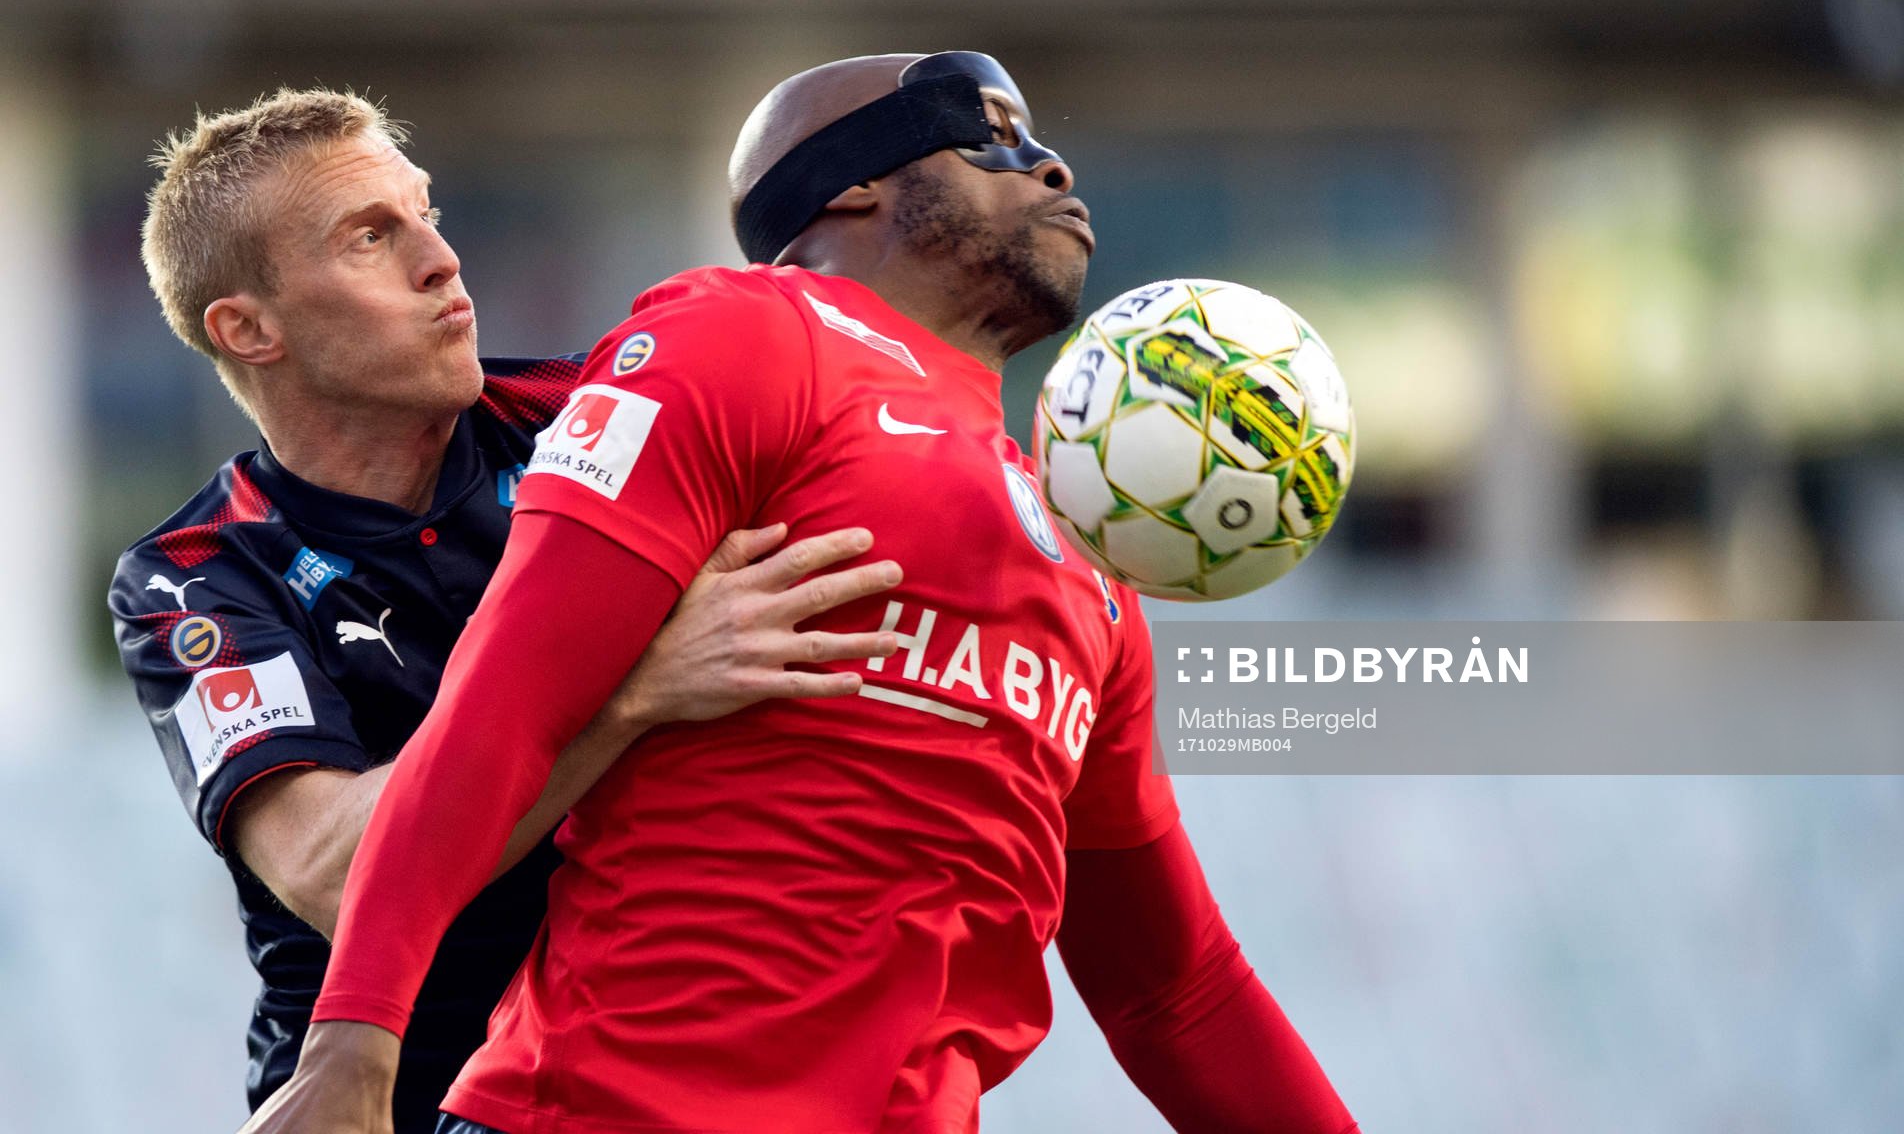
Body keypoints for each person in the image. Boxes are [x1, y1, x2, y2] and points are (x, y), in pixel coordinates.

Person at [249, 55, 1360, 1134]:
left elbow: (1176, 988)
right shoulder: (740, 335)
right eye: (989, 136)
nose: (1052, 167)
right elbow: (506, 701)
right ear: (853, 184)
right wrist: (355, 1040)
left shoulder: (1095, 568)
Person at [108, 87, 903, 1131]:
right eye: (369, 237)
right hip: (385, 1096)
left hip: (643, 1075)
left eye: (426, 213)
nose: (442, 259)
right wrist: (634, 692)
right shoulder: (196, 572)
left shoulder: (590, 411)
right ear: (249, 327)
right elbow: (341, 872)